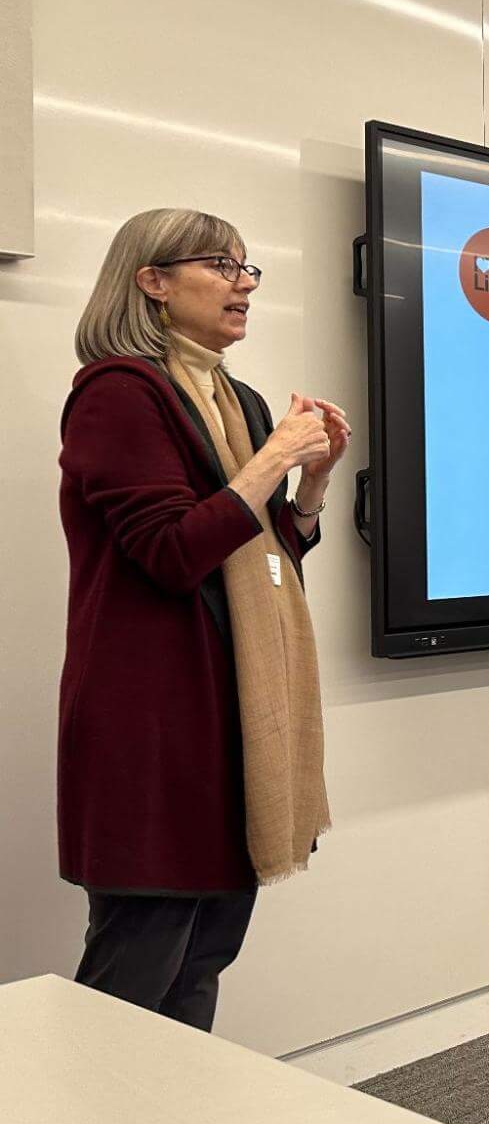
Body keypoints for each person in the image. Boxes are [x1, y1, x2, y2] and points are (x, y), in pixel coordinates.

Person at [58, 208, 348, 1030]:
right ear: (152, 281)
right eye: (221, 265)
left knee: (204, 958)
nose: (243, 285)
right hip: (153, 721)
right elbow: (171, 553)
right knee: (136, 971)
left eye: (249, 269)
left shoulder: (239, 399)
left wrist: (312, 485)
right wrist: (270, 461)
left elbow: (264, 554)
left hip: (235, 720)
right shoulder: (118, 394)